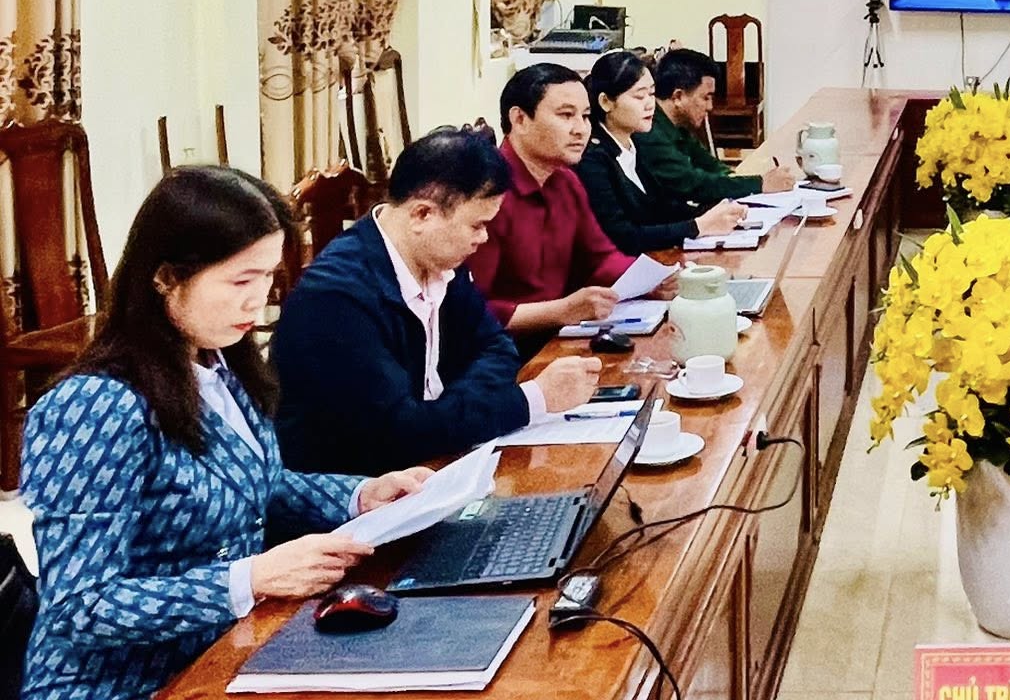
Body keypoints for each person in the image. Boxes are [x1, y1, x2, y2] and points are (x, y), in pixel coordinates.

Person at [19, 168, 432, 700]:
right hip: (119, 684)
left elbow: (258, 485)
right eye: (240, 281)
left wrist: (361, 495)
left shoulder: (216, 362)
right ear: (165, 277)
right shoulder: (95, 407)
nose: (257, 302)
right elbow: (80, 607)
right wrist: (248, 579)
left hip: (220, 653)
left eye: (267, 278)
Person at [272, 128, 606, 475]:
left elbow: (496, 346)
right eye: (476, 225)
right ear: (422, 215)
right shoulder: (336, 299)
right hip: (363, 488)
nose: (483, 237)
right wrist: (530, 401)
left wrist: (450, 416)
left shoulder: (439, 259)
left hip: (441, 458)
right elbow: (398, 434)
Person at [468, 63, 676, 336]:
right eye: (566, 115)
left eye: (586, 116)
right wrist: (560, 311)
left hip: (561, 333)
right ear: (519, 119)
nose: (581, 129)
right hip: (504, 346)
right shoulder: (486, 195)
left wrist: (651, 280)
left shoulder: (566, 181)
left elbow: (600, 258)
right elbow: (468, 310)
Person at [579, 50, 748, 253]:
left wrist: (715, 214)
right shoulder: (593, 159)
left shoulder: (634, 143)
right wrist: (698, 226)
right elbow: (623, 237)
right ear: (606, 102)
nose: (650, 104)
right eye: (639, 96)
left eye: (651, 94)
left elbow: (663, 208)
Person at [641, 47, 799, 205]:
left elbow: (711, 166)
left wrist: (738, 179)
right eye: (705, 98)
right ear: (678, 97)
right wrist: (760, 184)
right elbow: (693, 184)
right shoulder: (650, 132)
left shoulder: (678, 126)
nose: (710, 107)